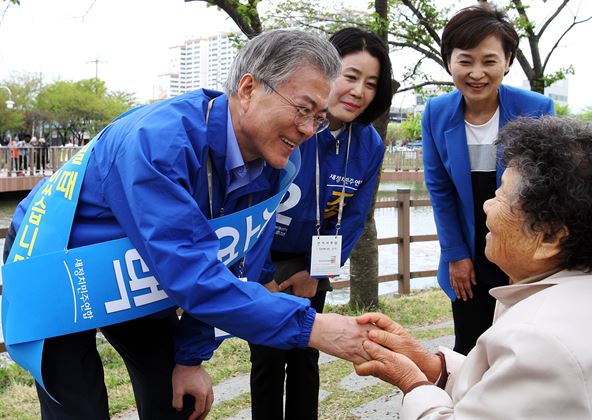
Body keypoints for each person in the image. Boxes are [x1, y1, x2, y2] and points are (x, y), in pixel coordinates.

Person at [2, 29, 375, 420]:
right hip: (56, 260)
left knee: (176, 401)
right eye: (302, 109)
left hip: (140, 263)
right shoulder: (158, 143)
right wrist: (313, 328)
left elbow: (232, 260)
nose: (307, 129)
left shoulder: (274, 164)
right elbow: (193, 273)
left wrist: (192, 358)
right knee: (78, 406)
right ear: (248, 89)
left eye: (318, 118)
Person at [355, 116, 592, 419]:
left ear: (550, 235)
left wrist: (413, 384)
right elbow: (510, 390)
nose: (487, 206)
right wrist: (432, 366)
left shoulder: (540, 340)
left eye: (502, 195)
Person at [248, 27, 393, 420]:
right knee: (266, 359)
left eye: (370, 83)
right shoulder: (292, 127)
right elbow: (256, 206)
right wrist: (263, 276)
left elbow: (354, 217)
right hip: (266, 259)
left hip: (315, 263)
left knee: (305, 355)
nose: (358, 91)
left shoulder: (368, 144)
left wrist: (316, 273)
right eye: (350, 76)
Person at [421, 4, 555, 355]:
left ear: (507, 60)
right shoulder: (436, 112)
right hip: (467, 251)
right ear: (449, 60)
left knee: (521, 350)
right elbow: (440, 189)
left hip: (521, 248)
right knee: (470, 345)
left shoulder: (537, 109)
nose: (476, 72)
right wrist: (456, 255)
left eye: (489, 60)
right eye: (465, 60)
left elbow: (544, 192)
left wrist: (525, 260)